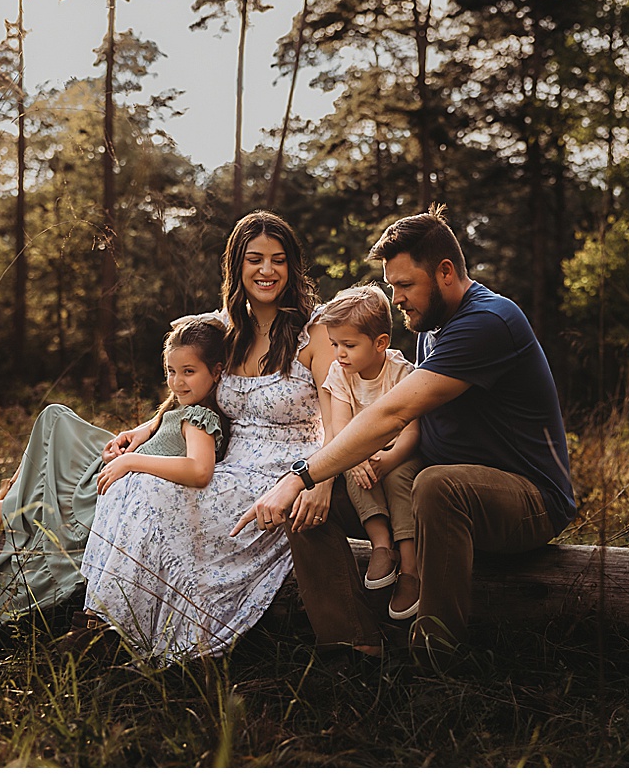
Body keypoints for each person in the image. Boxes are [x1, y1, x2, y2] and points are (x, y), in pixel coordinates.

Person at [236, 206, 576, 656]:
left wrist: (300, 473)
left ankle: (435, 655)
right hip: (424, 492)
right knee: (308, 507)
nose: (395, 299)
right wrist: (310, 486)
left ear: (446, 272)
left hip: (528, 500)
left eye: (404, 285)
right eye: (392, 286)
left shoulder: (488, 322)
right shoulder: (431, 326)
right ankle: (352, 645)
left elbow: (393, 413)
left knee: (437, 485)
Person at [79, 211, 344, 661]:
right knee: (135, 484)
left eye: (278, 260)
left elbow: (337, 416)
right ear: (237, 266)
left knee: (145, 486)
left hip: (285, 475)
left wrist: (323, 481)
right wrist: (142, 431)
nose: (267, 270)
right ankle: (107, 624)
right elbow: (190, 388)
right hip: (229, 466)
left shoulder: (315, 331)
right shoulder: (226, 328)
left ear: (292, 266)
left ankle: (137, 634)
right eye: (255, 259)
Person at [0, 316, 230, 628]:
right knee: (52, 431)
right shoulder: (181, 409)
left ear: (216, 372)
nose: (177, 382)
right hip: (111, 482)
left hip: (110, 503)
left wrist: (130, 461)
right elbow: (165, 429)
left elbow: (199, 471)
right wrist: (131, 444)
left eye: (188, 372)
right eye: (171, 371)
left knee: (26, 497)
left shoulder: (201, 418)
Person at [313, 284, 422, 621]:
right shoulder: (339, 373)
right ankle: (381, 545)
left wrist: (389, 458)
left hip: (398, 451)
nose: (339, 354)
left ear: (380, 344)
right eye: (334, 345)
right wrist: (358, 459)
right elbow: (343, 430)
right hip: (360, 452)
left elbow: (412, 431)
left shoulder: (401, 372)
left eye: (348, 345)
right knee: (348, 466)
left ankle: (411, 566)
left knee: (401, 476)